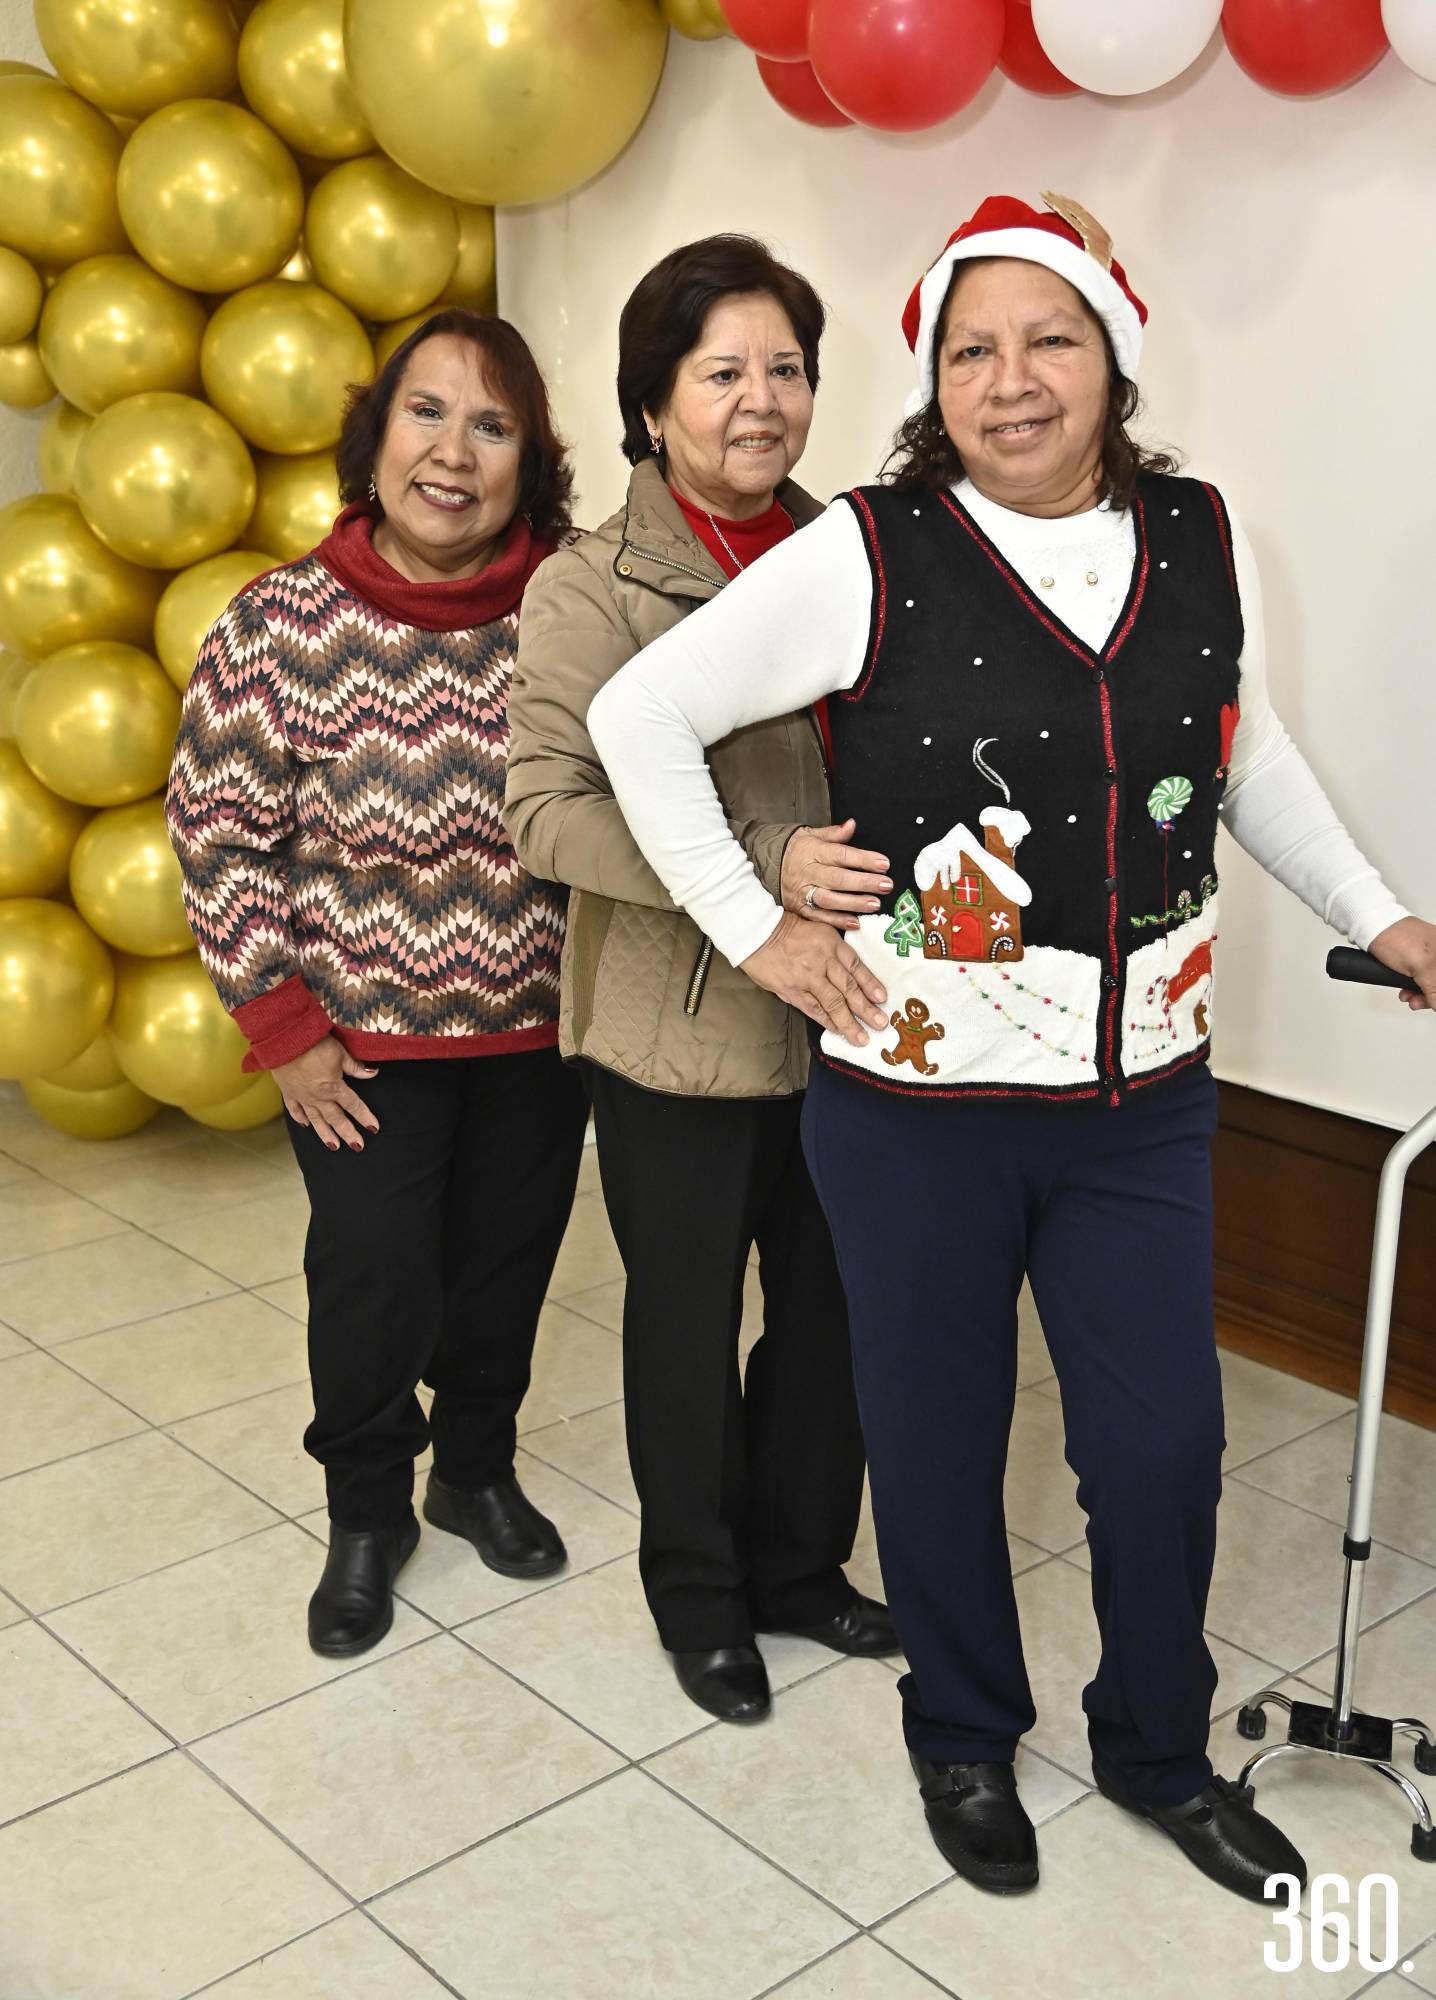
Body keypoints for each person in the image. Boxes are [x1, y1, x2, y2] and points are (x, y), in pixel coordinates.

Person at [585, 196, 1436, 1896]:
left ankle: (1155, 1750)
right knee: (938, 1443)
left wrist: (1382, 912)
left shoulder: (1201, 531)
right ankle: (963, 1737)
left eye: (1049, 339)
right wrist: (758, 929)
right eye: (971, 350)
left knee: (1162, 1451)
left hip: (1142, 1107)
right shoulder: (871, 551)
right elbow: (638, 714)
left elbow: (1243, 755)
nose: (1010, 379)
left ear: (1114, 357)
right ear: (934, 384)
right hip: (919, 1113)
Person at [505, 235, 896, 1725]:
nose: (760, 401)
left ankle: (799, 1569)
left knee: (834, 1309)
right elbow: (547, 813)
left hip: (851, 1018)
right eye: (721, 371)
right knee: (685, 1324)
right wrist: (761, 863)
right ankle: (701, 1596)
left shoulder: (856, 556)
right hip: (675, 1029)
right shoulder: (589, 585)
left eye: (785, 369)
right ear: (652, 404)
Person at [167, 310, 589, 1659]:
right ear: (376, 435)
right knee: (372, 1283)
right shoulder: (278, 621)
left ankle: (474, 1471)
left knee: (505, 1272)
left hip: (543, 1035)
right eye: (428, 412)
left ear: (529, 462)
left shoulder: (572, 615)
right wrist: (283, 1031)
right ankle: (366, 1513)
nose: (454, 453)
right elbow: (216, 832)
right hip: (357, 1051)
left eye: (493, 425)